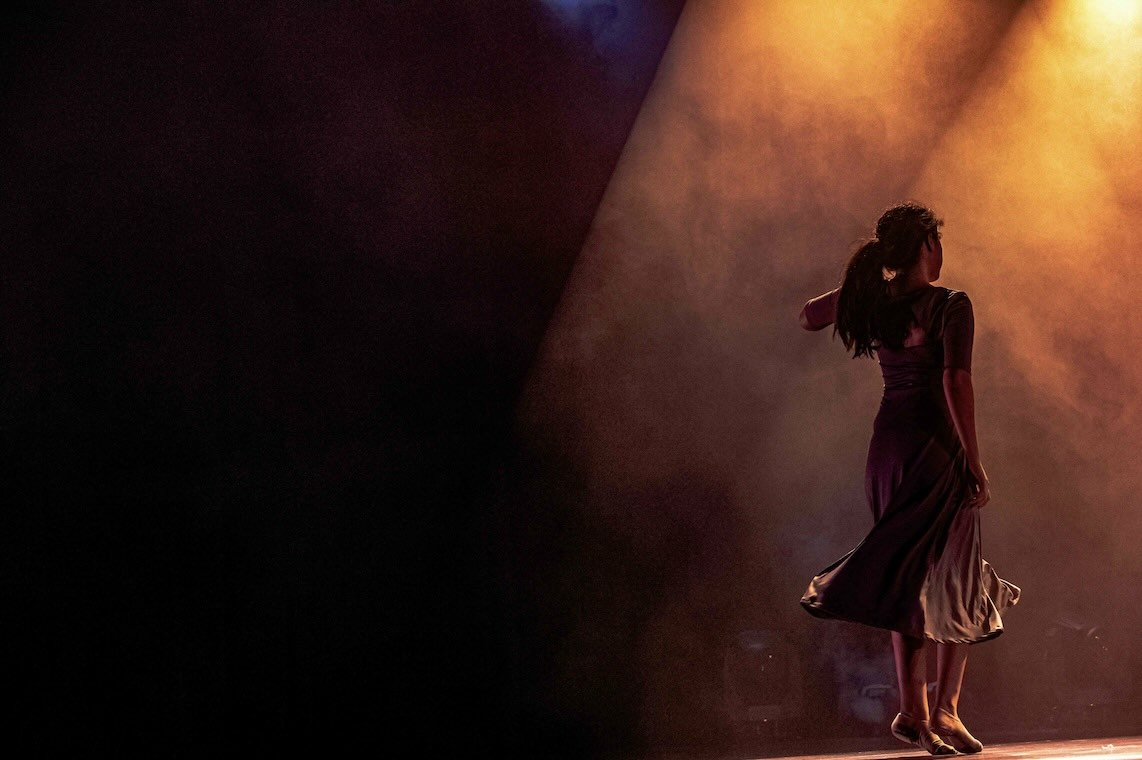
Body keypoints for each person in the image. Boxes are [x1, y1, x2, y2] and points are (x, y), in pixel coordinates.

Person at [798, 202, 1019, 755]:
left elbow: (808, 314)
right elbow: (956, 381)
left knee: (906, 570)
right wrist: (973, 459)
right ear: (926, 247)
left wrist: (865, 283)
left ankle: (913, 709)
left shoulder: (880, 302)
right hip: (935, 449)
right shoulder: (950, 304)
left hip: (888, 450)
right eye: (937, 243)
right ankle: (943, 709)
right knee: (956, 574)